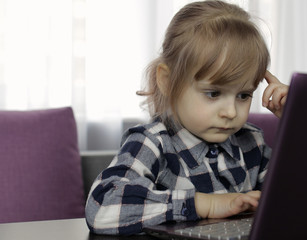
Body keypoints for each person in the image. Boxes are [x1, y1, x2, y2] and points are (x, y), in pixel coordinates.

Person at [85, 0, 288, 235]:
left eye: (243, 95)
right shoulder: (152, 143)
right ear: (167, 82)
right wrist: (204, 204)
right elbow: (102, 207)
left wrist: (297, 124)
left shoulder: (252, 142)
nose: (231, 112)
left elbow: (302, 199)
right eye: (213, 93)